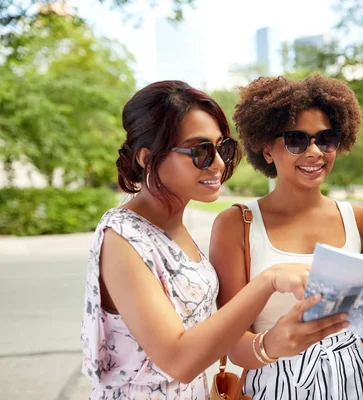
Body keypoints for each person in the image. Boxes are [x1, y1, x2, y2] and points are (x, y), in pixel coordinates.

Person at [80, 80, 347, 399]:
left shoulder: (172, 225)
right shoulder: (123, 236)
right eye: (200, 151)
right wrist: (269, 281)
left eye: (223, 148)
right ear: (146, 157)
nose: (219, 163)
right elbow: (178, 360)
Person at [209, 75, 363, 400]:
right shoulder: (236, 224)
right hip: (277, 387)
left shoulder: (361, 221)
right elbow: (229, 342)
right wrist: (273, 343)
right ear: (266, 148)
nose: (314, 152)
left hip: (360, 384)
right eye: (296, 140)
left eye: (326, 139)